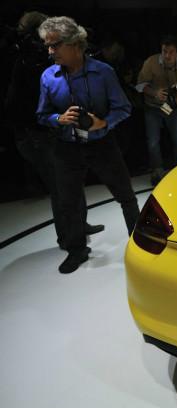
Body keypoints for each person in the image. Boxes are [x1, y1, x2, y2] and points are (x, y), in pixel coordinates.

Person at [36, 16, 139, 273]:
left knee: (126, 196)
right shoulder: (48, 76)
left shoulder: (103, 72)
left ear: (74, 43)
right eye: (47, 46)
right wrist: (58, 119)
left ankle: (140, 245)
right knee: (68, 202)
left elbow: (124, 108)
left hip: (102, 143)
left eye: (55, 45)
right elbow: (41, 115)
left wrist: (102, 123)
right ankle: (77, 250)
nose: (50, 51)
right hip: (66, 147)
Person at [5, 11, 105, 249]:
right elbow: (20, 105)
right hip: (38, 135)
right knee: (61, 187)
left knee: (73, 178)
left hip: (48, 131)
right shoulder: (28, 62)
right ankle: (69, 238)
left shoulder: (42, 60)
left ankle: (79, 226)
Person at [136, 35, 177, 185]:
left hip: (173, 107)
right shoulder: (151, 62)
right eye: (164, 51)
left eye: (171, 52)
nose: (167, 55)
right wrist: (154, 92)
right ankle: (157, 171)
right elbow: (140, 85)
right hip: (152, 107)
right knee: (153, 142)